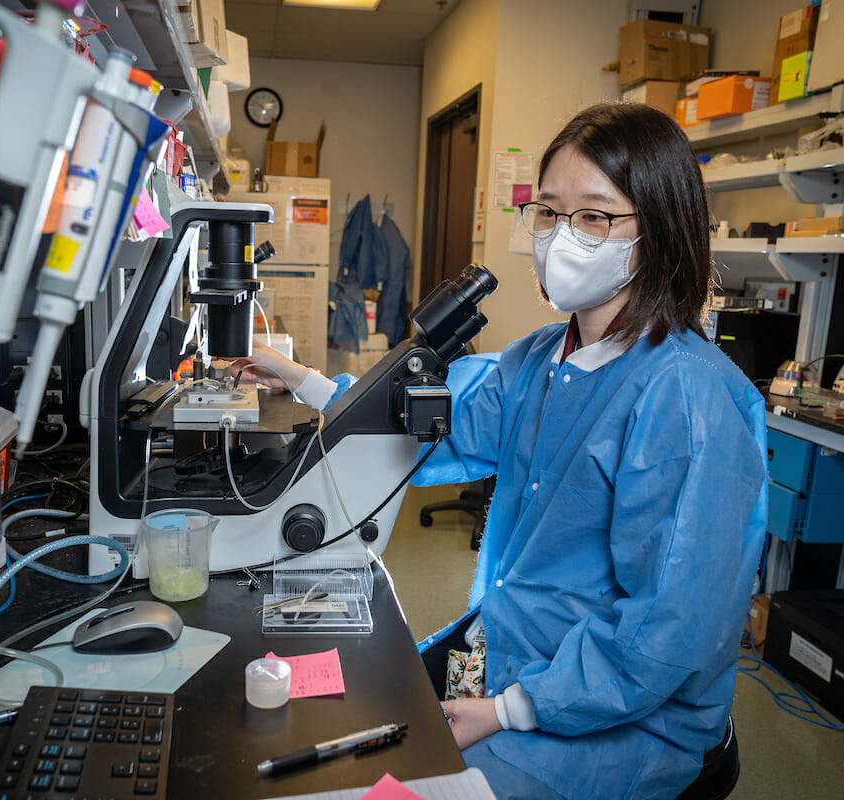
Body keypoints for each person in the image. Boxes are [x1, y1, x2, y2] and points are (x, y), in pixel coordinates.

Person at [232, 102, 768, 800]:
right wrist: (299, 378)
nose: (562, 236)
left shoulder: (690, 400)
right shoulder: (543, 358)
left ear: (660, 229)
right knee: (310, 712)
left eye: (595, 216)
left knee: (376, 791)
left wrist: (509, 711)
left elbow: (664, 634)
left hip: (617, 716)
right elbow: (438, 425)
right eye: (548, 212)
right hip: (511, 655)